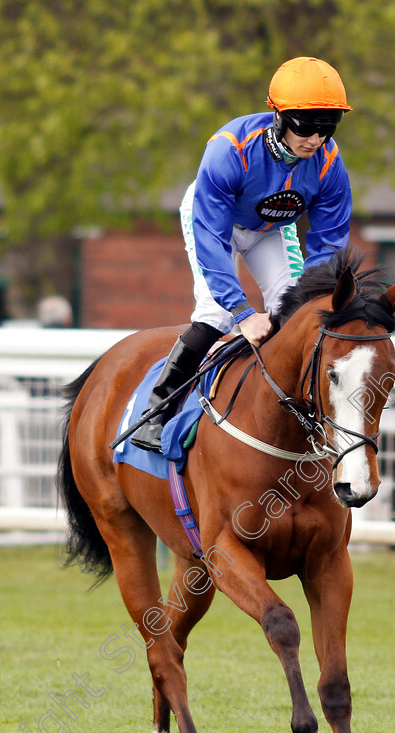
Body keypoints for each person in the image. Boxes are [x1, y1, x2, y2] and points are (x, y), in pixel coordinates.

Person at [132, 56, 354, 452]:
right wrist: (242, 313)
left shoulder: (329, 164)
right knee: (216, 314)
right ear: (278, 114)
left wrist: (313, 295)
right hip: (213, 224)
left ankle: (289, 413)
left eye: (327, 126)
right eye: (306, 126)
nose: (316, 139)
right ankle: (156, 411)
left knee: (296, 309)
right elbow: (211, 238)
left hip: (270, 228)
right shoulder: (229, 149)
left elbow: (328, 244)